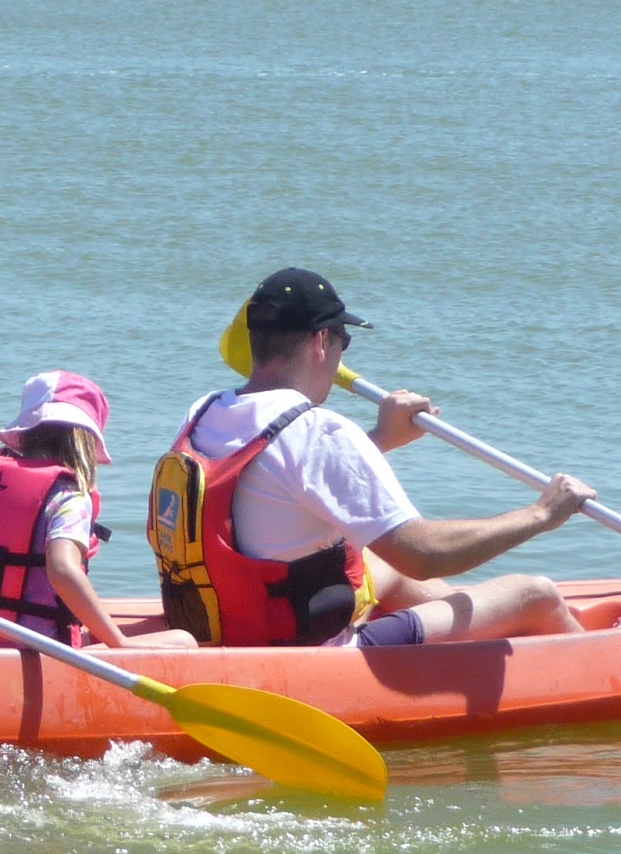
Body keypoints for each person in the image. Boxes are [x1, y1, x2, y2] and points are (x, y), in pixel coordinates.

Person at [149, 266, 595, 648]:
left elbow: (275, 483)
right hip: (313, 656)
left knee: (383, 569)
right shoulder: (320, 432)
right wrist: (541, 514)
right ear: (321, 341)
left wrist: (380, 438)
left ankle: (476, 632)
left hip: (227, 625)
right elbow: (424, 554)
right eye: (343, 340)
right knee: (536, 593)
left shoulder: (204, 411)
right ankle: (588, 669)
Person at [0, 371, 196, 650]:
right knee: (184, 639)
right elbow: (62, 569)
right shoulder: (67, 496)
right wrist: (118, 642)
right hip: (43, 652)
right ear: (87, 442)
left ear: (24, 433)